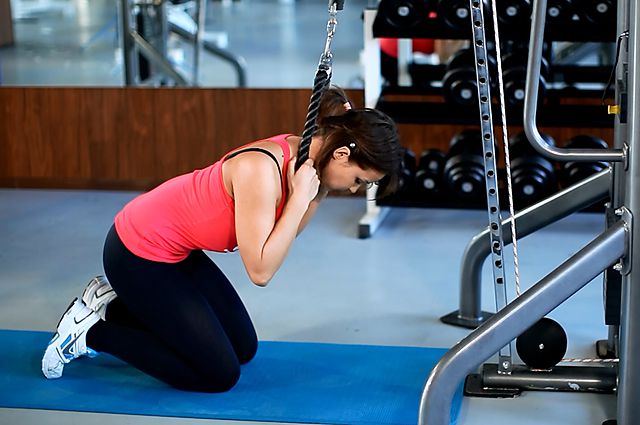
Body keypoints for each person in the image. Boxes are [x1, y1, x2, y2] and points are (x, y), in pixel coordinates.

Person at [41, 86, 404, 392]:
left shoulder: (308, 163)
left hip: (177, 250)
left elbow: (289, 232)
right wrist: (300, 196)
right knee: (217, 374)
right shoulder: (260, 170)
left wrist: (315, 192)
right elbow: (261, 271)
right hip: (137, 252)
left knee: (243, 348)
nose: (355, 189)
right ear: (341, 154)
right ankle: (90, 332)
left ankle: (111, 304)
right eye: (359, 180)